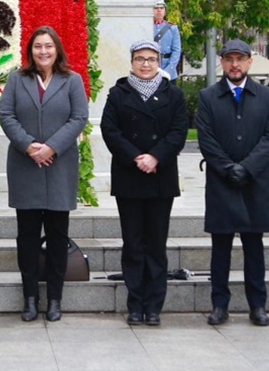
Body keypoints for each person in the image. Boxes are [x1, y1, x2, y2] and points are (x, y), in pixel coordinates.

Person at [0, 26, 90, 323]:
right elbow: (6, 115)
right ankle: (29, 299)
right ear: (30, 51)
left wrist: (52, 147)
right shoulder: (17, 79)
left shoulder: (72, 80)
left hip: (59, 167)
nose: (43, 52)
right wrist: (28, 146)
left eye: (48, 46)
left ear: (57, 49)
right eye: (38, 47)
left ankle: (54, 299)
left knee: (57, 236)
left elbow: (79, 117)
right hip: (26, 167)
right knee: (26, 238)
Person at [101, 39, 187, 326]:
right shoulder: (118, 93)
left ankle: (154, 306)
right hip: (130, 176)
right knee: (133, 243)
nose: (146, 64)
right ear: (132, 62)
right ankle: (135, 304)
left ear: (159, 61)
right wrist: (137, 157)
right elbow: (110, 130)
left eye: (151, 58)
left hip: (160, 178)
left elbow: (178, 131)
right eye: (140, 58)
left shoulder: (172, 94)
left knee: (156, 244)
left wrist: (155, 157)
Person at [196, 39, 269, 327]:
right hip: (222, 182)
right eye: (229, 59)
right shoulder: (208, 96)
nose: (235, 64)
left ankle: (257, 305)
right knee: (220, 248)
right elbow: (205, 138)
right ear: (221, 62)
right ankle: (220, 305)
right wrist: (227, 168)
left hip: (256, 182)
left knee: (254, 246)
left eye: (240, 59)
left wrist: (247, 168)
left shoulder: (266, 96)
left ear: (249, 62)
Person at [152, 0, 182, 80]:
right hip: (151, 69)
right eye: (156, 8)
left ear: (165, 11)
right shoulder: (147, 27)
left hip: (169, 70)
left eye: (161, 8)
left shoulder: (172, 28)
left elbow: (176, 50)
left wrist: (168, 70)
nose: (159, 10)